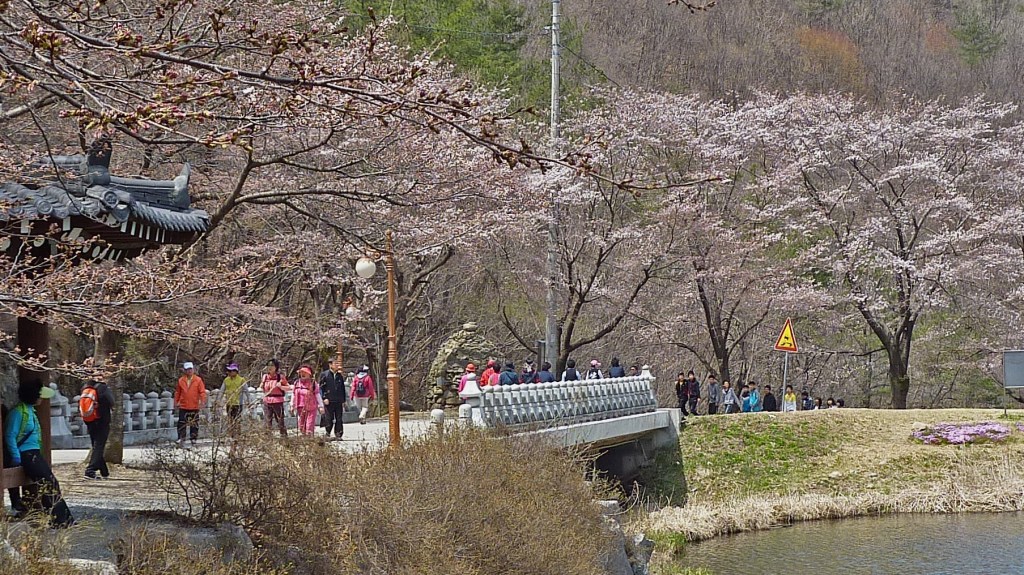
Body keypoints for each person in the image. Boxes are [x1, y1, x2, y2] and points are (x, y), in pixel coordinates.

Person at [3, 380, 74, 527]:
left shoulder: (30, 411)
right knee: (48, 483)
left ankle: (62, 518)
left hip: (33, 453)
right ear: (33, 396)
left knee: (50, 483)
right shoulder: (18, 412)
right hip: (26, 454)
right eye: (39, 395)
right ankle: (60, 520)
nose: (41, 398)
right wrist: (15, 455)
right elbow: (10, 435)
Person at [81, 379, 114, 479]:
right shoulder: (103, 388)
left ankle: (104, 472)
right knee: (99, 445)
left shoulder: (86, 387)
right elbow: (112, 401)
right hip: (102, 420)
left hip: (89, 419)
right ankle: (90, 471)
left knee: (96, 446)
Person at [174, 362, 207, 448]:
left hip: (194, 405)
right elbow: (178, 392)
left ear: (193, 369)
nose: (189, 371)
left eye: (190, 369)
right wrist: (176, 402)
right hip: (183, 405)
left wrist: (203, 401)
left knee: (194, 423)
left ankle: (193, 438)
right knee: (182, 423)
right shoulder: (181, 380)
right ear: (184, 370)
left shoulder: (198, 380)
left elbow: (202, 392)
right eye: (187, 369)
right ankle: (181, 438)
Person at [291, 366, 324, 436]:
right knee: (301, 425)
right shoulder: (296, 383)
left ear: (309, 374)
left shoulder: (313, 383)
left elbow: (317, 394)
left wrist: (321, 406)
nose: (303, 374)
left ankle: (309, 438)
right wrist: (292, 405)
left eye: (305, 372)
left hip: (311, 407)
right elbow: (293, 394)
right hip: (300, 407)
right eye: (301, 372)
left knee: (309, 424)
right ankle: (304, 438)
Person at [262, 359, 290, 437]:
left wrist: (281, 387)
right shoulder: (265, 377)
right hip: (267, 401)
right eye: (268, 365)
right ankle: (268, 438)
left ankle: (284, 437)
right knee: (267, 421)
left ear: (276, 367)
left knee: (280, 420)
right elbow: (262, 387)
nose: (270, 367)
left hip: (278, 401)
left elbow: (288, 387)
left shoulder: (280, 377)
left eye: (272, 365)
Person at [320, 359, 347, 439]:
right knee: (329, 418)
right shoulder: (324, 375)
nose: (337, 365)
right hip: (329, 400)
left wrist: (343, 400)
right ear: (330, 365)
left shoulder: (339, 376)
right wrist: (324, 398)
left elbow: (342, 388)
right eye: (335, 364)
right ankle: (328, 432)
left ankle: (338, 434)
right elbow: (321, 388)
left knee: (339, 418)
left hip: (338, 400)